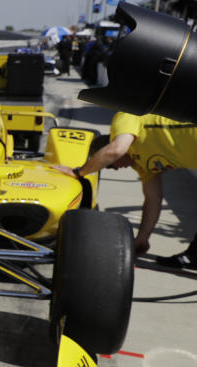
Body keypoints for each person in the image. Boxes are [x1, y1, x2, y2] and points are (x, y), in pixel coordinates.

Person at [58, 111, 197, 268]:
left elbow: (116, 149)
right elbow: (153, 199)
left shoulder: (126, 116)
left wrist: (79, 173)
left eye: (108, 165)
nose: (115, 169)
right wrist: (143, 237)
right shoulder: (143, 165)